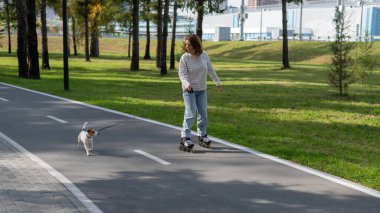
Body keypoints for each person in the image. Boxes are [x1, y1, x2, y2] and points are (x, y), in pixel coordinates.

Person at [178, 34, 222, 149]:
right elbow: (182, 74)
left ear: (196, 45)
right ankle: (185, 138)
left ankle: (202, 136)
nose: (187, 47)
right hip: (189, 91)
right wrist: (187, 84)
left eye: (189, 45)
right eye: (186, 45)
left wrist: (217, 82)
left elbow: (210, 70)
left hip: (202, 90)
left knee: (203, 114)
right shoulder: (184, 58)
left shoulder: (204, 55)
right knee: (190, 113)